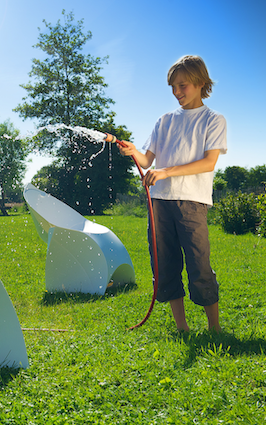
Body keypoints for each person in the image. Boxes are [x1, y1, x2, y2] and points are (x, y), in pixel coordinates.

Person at [114, 55, 227, 332]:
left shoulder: (213, 120)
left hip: (193, 202)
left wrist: (165, 172)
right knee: (164, 264)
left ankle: (214, 329)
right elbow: (147, 161)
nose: (176, 92)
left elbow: (208, 163)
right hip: (160, 202)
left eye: (182, 85)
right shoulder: (164, 120)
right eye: (173, 87)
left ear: (200, 83)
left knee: (199, 264)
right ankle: (182, 328)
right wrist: (133, 151)